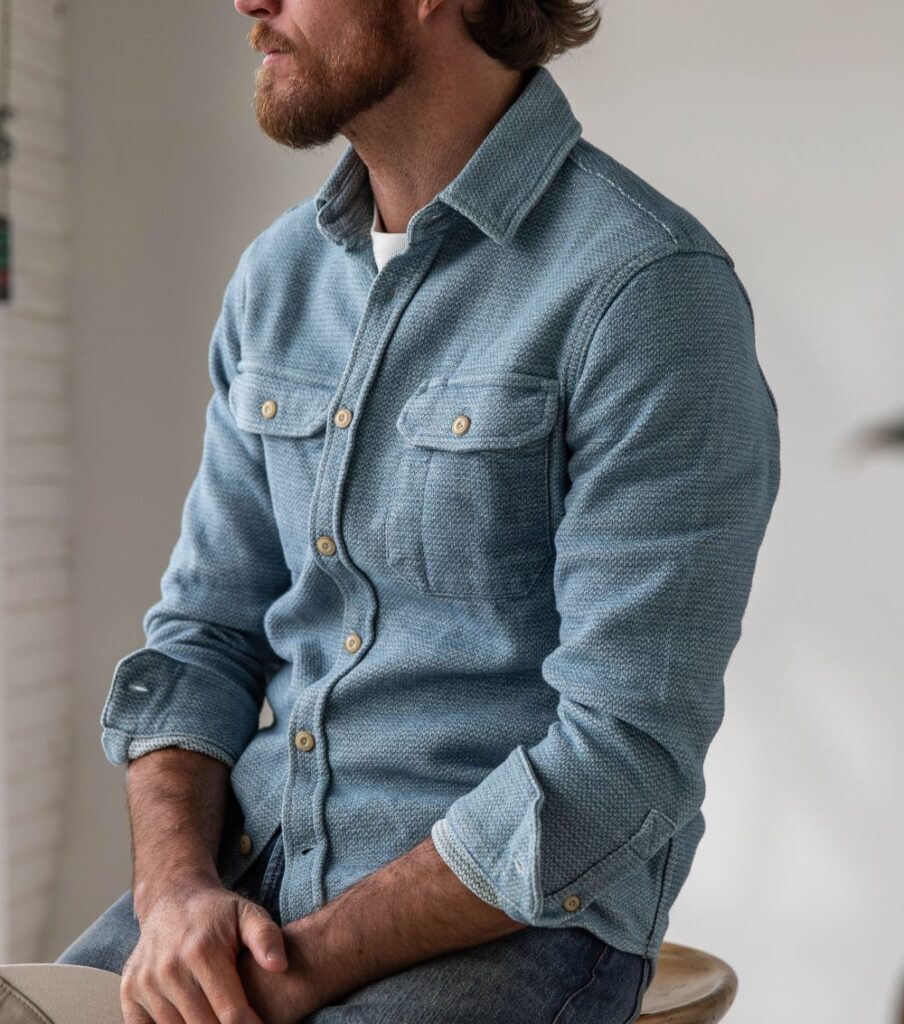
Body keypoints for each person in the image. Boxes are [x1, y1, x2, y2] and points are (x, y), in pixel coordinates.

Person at [52, 0, 781, 1022]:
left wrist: (297, 970)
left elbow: (625, 756)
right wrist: (173, 896)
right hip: (248, 880)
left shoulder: (647, 292)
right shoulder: (277, 280)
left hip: (513, 924)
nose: (248, 2)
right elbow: (200, 641)